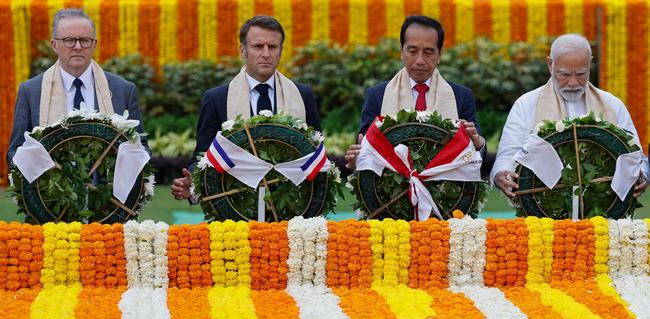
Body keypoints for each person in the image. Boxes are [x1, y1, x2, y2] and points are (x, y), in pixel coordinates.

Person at [171, 15, 321, 200]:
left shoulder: (302, 94)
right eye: (258, 46)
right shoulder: (217, 98)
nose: (266, 53)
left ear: (281, 51)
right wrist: (193, 186)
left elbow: (317, 153)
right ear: (243, 50)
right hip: (235, 205)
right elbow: (203, 156)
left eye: (272, 47)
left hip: (291, 204)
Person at [491, 33, 649, 198]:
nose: (573, 83)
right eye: (564, 74)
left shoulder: (612, 104)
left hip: (604, 206)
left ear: (589, 63)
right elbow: (509, 154)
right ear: (550, 64)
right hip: (542, 209)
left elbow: (635, 155)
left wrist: (641, 174)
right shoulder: (526, 104)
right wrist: (502, 173)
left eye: (581, 74)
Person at [344, 15, 485, 169]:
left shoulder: (461, 96)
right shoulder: (378, 95)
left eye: (428, 52)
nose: (419, 60)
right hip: (390, 190)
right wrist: (358, 159)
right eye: (412, 51)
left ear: (440, 55)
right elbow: (363, 149)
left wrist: (479, 144)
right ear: (401, 51)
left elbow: (478, 154)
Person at [7, 8, 146, 163]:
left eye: (85, 40)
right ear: (54, 45)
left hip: (109, 186)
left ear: (94, 44)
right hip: (50, 186)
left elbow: (141, 148)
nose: (78, 47)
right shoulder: (31, 91)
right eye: (69, 40)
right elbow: (15, 151)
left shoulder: (123, 90)